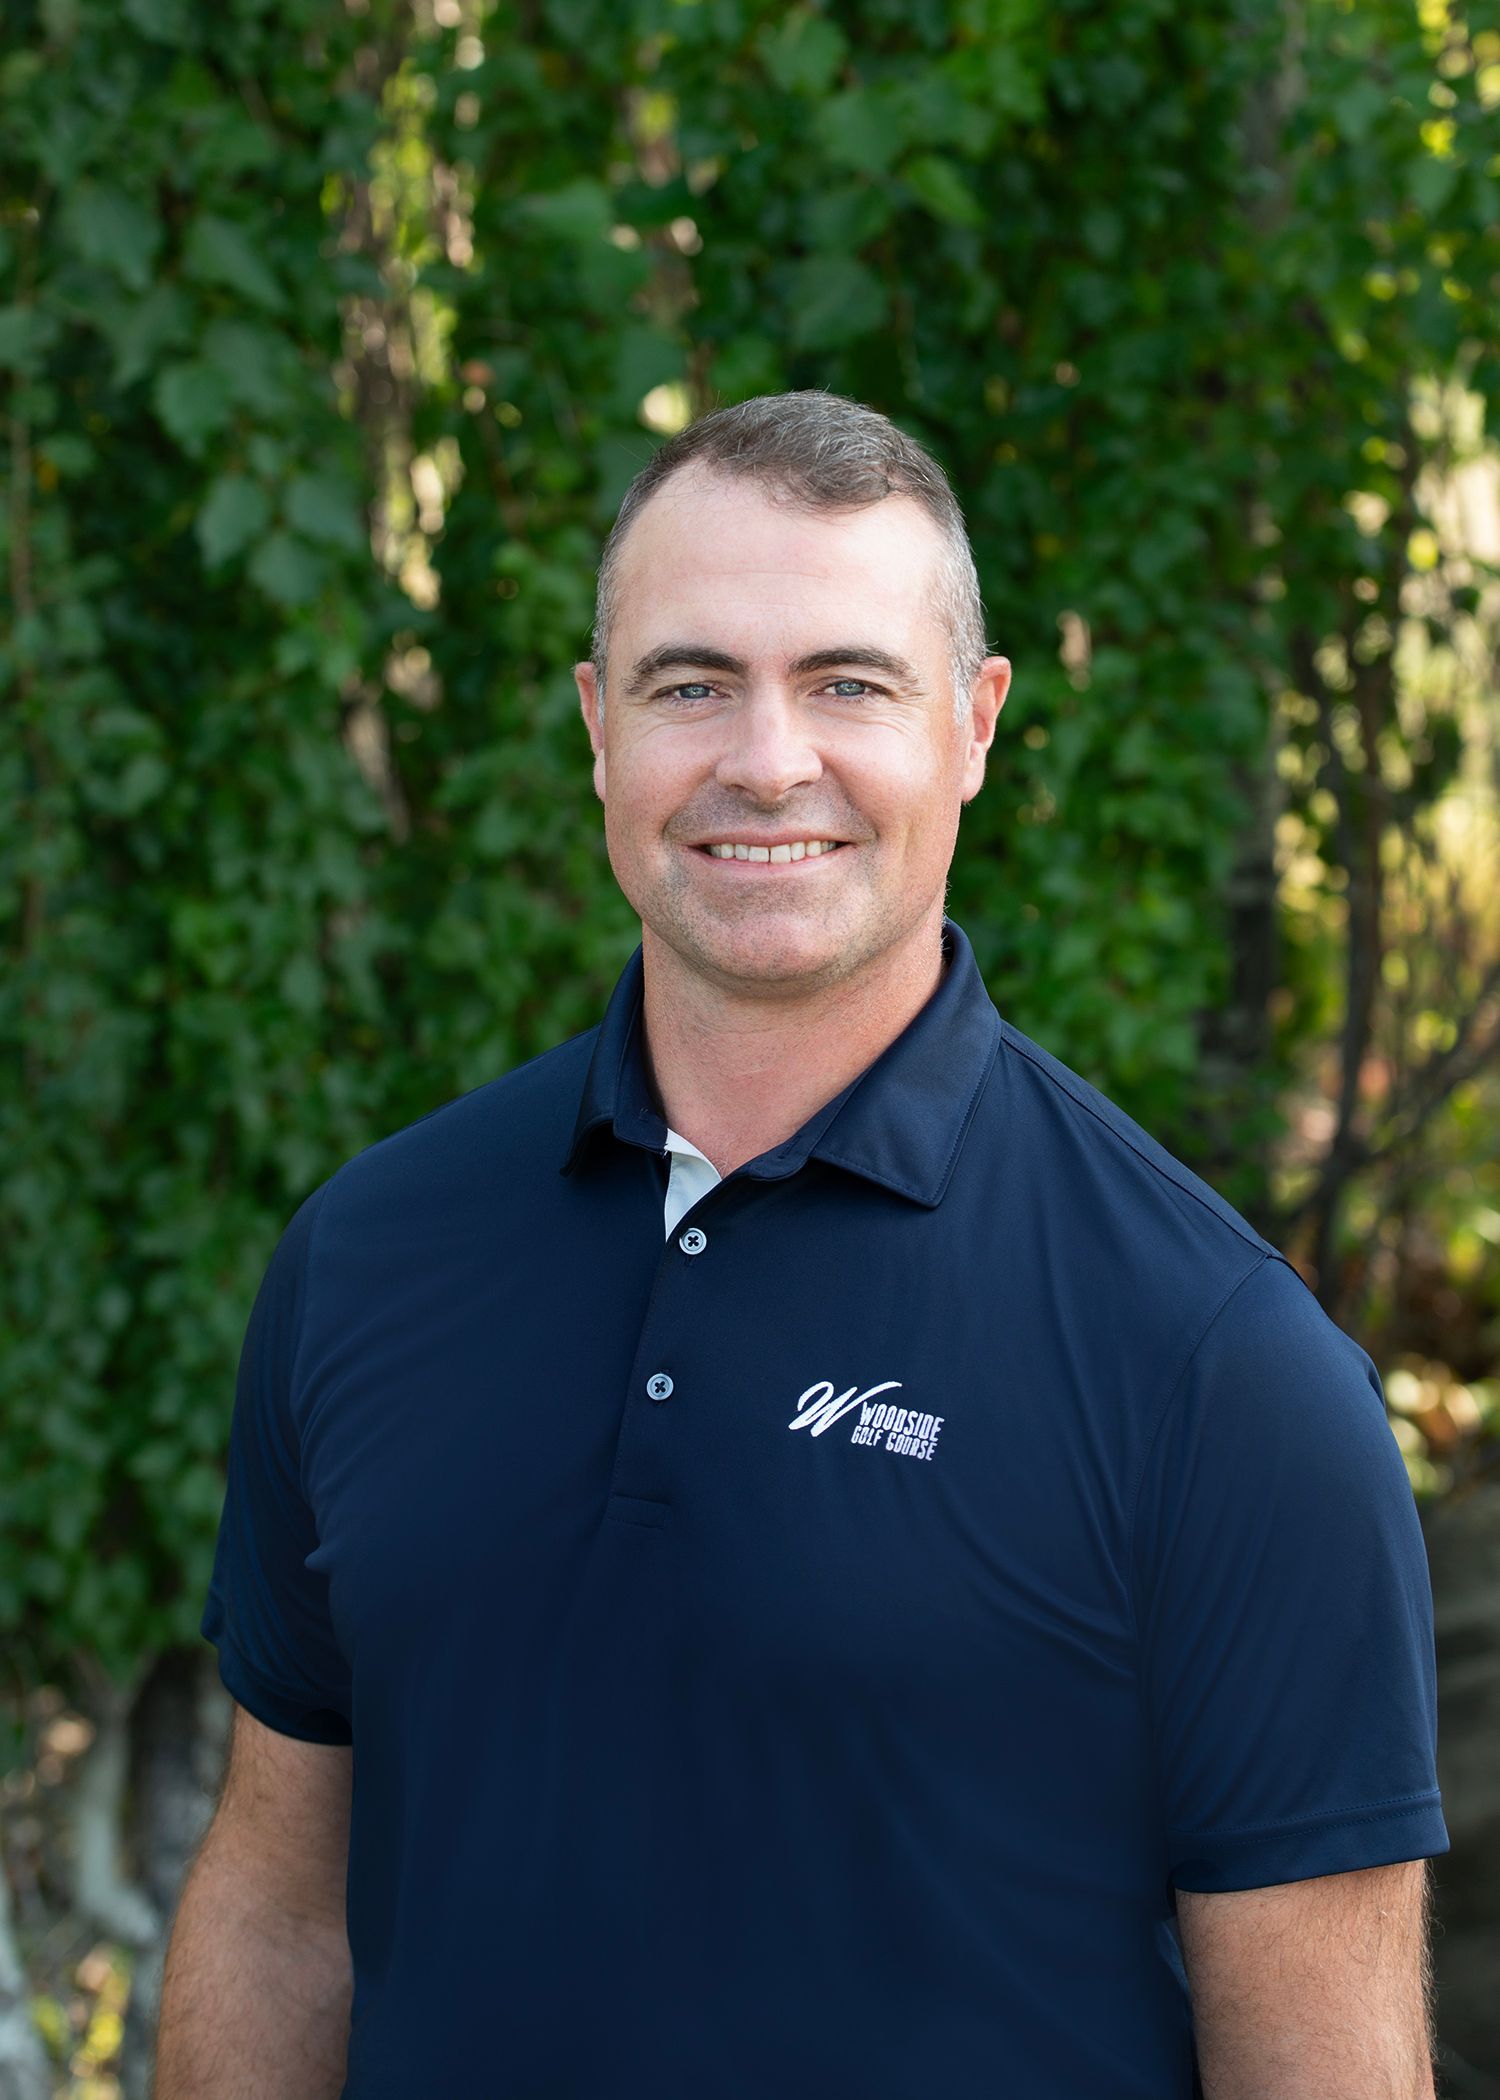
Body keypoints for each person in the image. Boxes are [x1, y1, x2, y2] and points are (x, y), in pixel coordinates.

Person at [157, 391, 1449, 2100]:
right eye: (693, 683)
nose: (768, 760)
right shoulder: (367, 1257)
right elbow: (278, 1912)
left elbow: (1323, 2068)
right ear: (597, 729)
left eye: (850, 682)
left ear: (975, 728)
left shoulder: (1219, 1366)